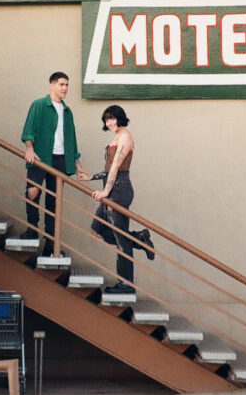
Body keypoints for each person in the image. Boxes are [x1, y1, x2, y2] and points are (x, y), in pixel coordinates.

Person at [21, 71, 89, 256]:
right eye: (61, 84)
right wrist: (29, 148)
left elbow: (72, 139)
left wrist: (77, 164)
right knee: (32, 192)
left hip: (60, 159)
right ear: (52, 86)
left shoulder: (67, 112)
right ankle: (32, 229)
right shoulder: (39, 105)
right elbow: (29, 129)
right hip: (41, 155)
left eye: (67, 85)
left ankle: (50, 242)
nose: (65, 88)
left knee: (54, 201)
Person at [91, 104, 154, 295]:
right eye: (106, 119)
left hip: (119, 190)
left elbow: (117, 167)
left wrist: (105, 193)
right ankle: (139, 239)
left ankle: (126, 284)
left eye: (112, 118)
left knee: (121, 239)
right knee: (97, 230)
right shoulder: (116, 136)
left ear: (120, 118)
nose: (109, 122)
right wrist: (90, 178)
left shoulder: (125, 137)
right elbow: (109, 168)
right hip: (112, 189)